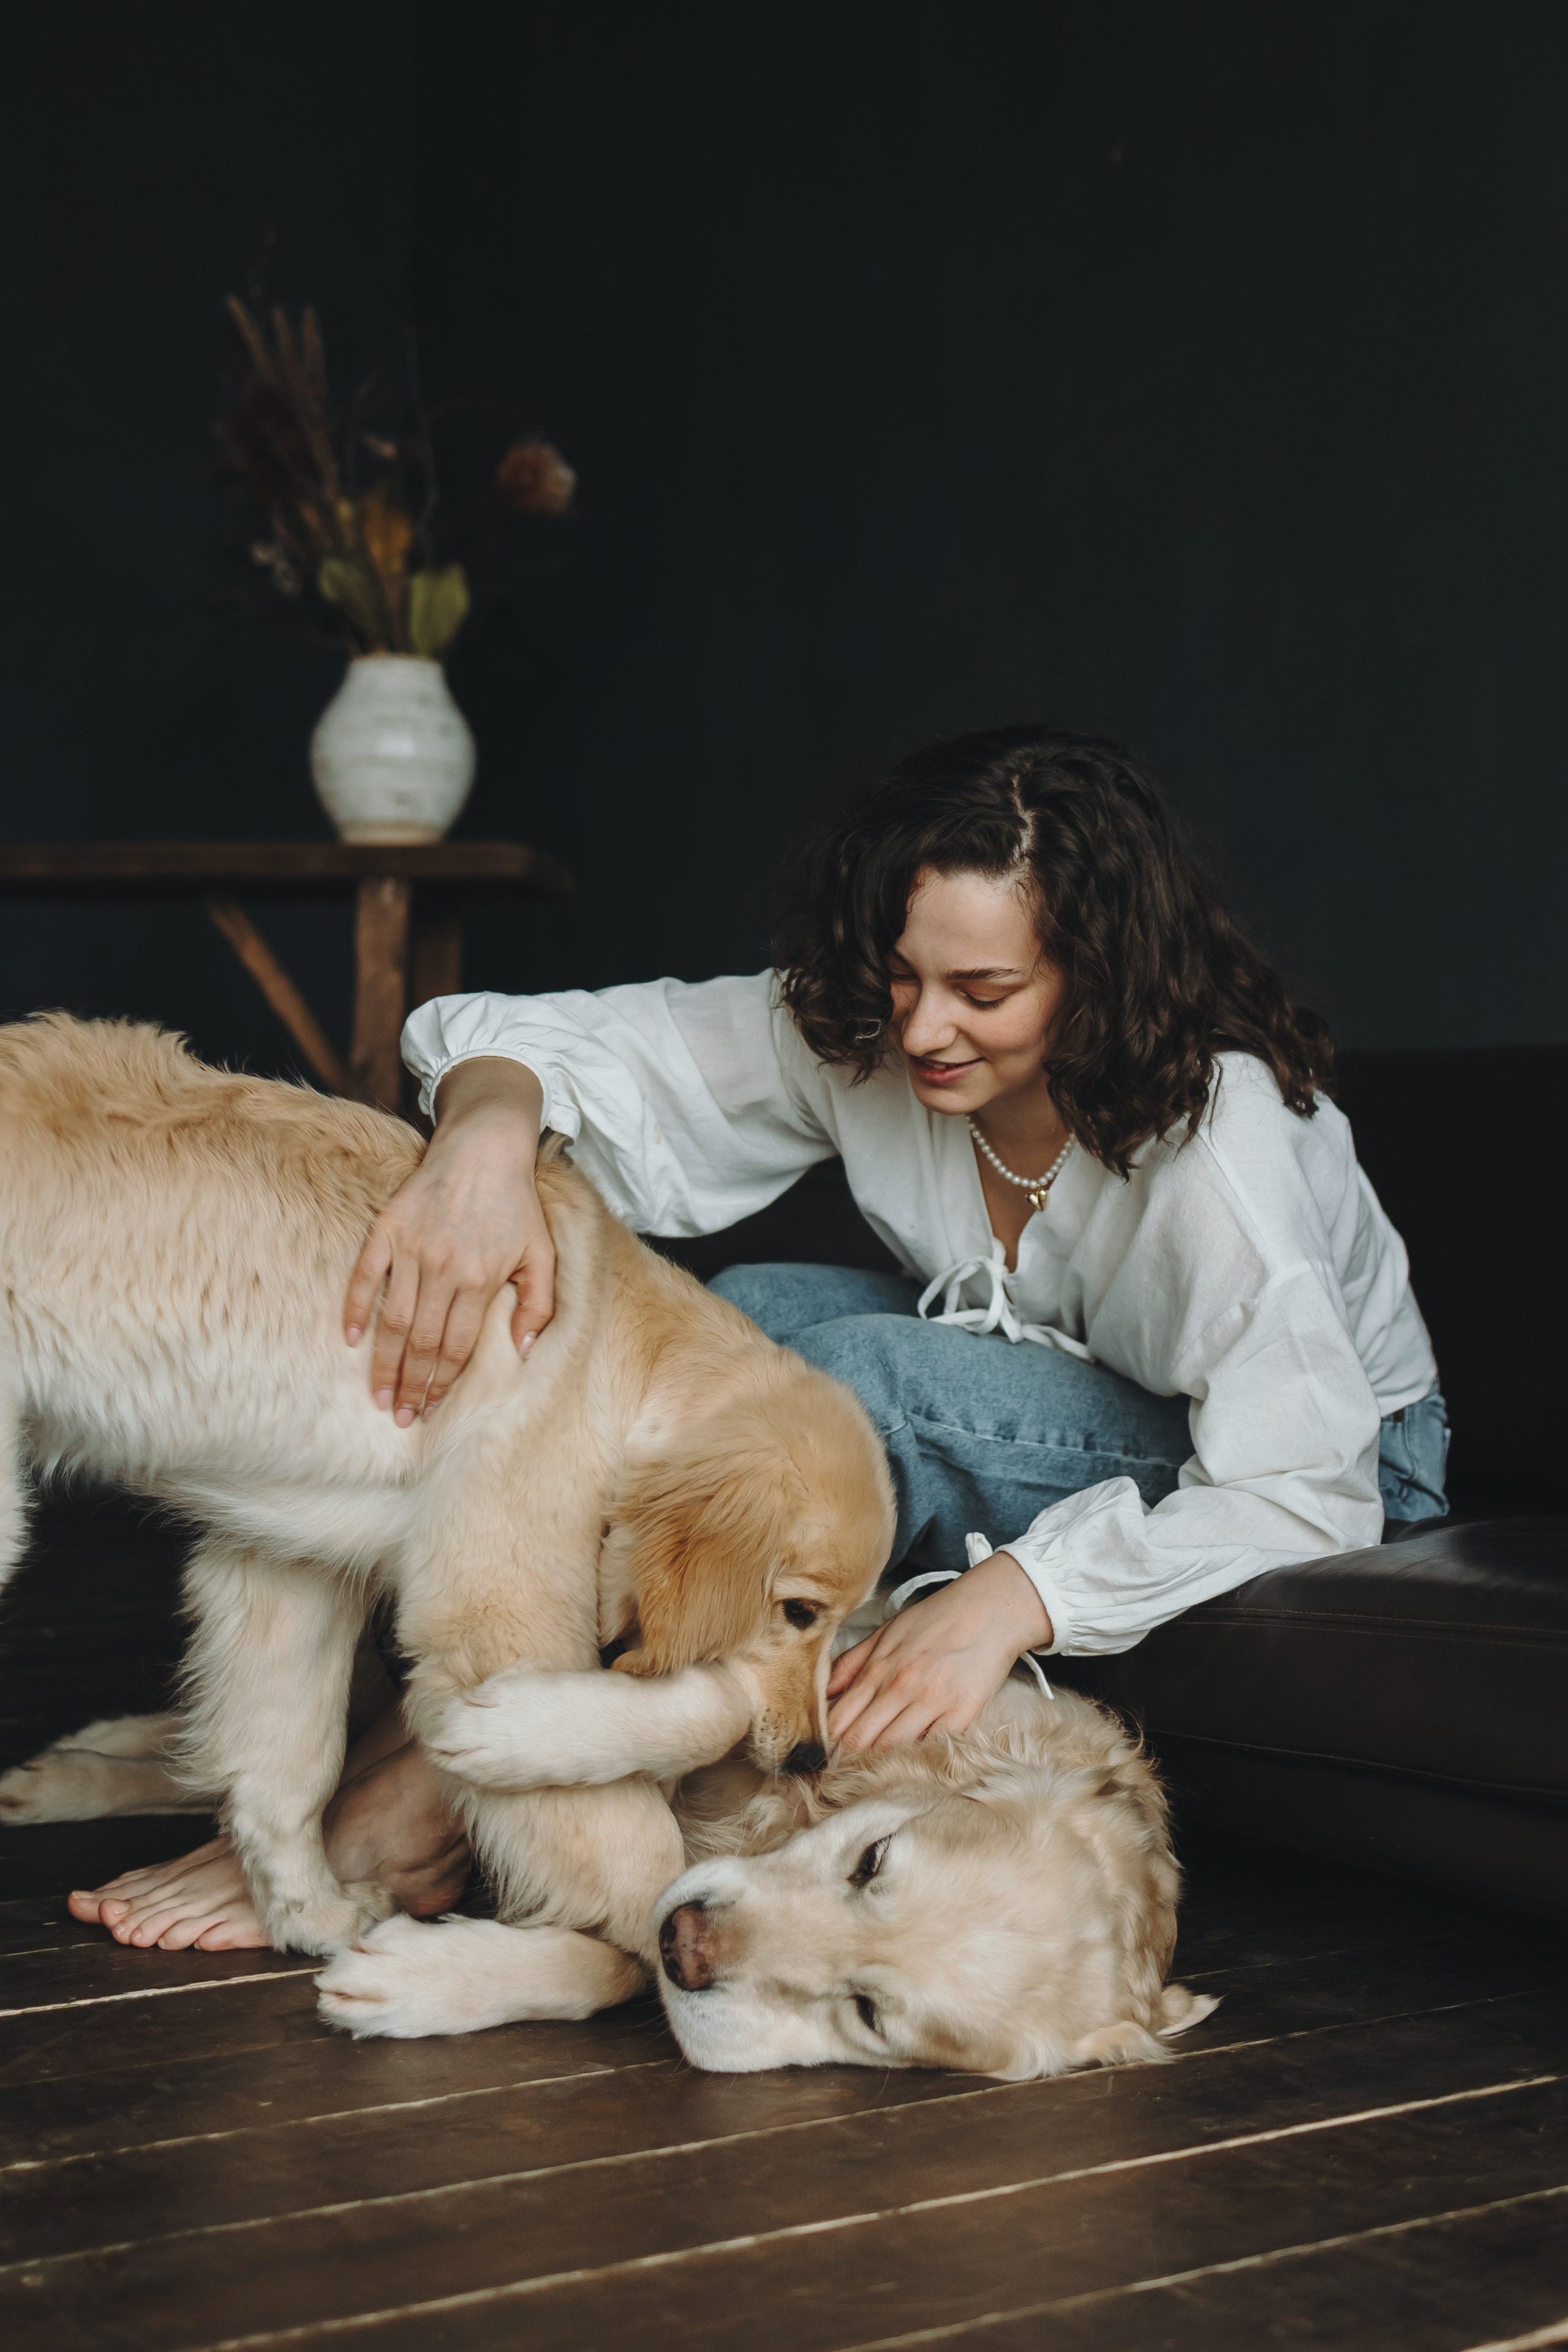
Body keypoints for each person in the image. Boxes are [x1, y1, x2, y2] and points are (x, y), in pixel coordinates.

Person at [72, 724, 1446, 1949]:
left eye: (981, 990)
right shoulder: (877, 1028)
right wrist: (481, 1151)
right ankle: (425, 1749)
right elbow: (550, 1045)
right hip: (1064, 1395)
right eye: (902, 977)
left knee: (823, 1400)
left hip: (1325, 1458)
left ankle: (403, 1798)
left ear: (1099, 972)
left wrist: (1013, 1596)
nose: (921, 1027)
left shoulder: (1219, 1141)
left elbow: (1302, 1484)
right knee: (735, 1335)